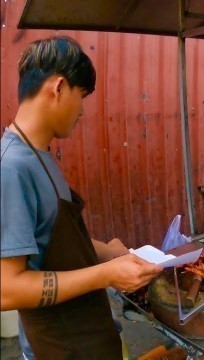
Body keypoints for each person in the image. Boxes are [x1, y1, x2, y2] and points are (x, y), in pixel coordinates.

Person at [0, 36, 163, 359]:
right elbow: (7, 289)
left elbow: (50, 241)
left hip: (90, 339)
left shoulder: (38, 155)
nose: (82, 111)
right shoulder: (12, 168)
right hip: (60, 349)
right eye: (82, 96)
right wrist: (106, 274)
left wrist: (108, 253)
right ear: (59, 88)